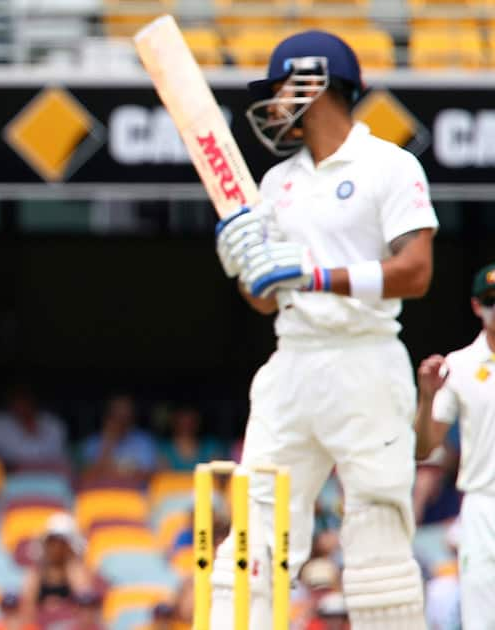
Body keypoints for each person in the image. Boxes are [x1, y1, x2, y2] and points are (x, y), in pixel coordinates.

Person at [212, 31, 438, 629]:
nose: (275, 103)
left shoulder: (388, 165)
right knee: (252, 529)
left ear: (316, 82)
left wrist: (313, 275)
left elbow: (415, 274)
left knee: (377, 536)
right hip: (292, 360)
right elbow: (263, 299)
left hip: (364, 360)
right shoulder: (277, 183)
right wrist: (246, 267)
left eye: (284, 86)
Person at [413, 262, 495, 630]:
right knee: (481, 616)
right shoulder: (460, 366)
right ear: (477, 307)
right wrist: (427, 397)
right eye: (492, 302)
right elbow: (424, 447)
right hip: (483, 503)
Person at [19, 513, 95, 623]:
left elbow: (84, 605)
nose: (56, 548)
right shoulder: (36, 572)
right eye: (52, 542)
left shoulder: (76, 571)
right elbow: (26, 607)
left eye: (61, 543)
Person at [0, 385, 67, 467]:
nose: (21, 404)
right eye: (17, 399)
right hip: (12, 478)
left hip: (52, 476)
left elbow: (60, 456)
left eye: (25, 398)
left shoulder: (53, 424)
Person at [79, 395, 156, 484]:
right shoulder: (92, 443)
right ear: (108, 416)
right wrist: (108, 443)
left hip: (134, 495)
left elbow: (149, 477)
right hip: (101, 494)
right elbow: (87, 478)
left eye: (126, 415)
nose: (121, 420)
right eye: (117, 414)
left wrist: (111, 473)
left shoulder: (143, 441)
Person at [155, 406, 224, 473]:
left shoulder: (211, 447)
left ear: (198, 422)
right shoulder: (164, 449)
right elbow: (164, 477)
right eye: (182, 421)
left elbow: (217, 475)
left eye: (190, 421)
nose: (186, 425)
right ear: (174, 422)